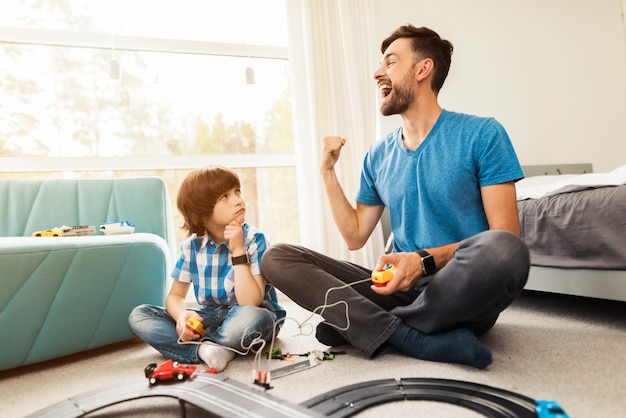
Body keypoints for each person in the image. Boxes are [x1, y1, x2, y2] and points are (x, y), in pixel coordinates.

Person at [260, 25, 530, 369]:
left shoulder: (482, 134)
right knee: (278, 257)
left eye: (389, 62)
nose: (377, 73)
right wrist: (327, 174)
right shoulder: (378, 156)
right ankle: (407, 335)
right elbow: (355, 236)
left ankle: (365, 325)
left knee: (505, 250)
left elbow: (504, 235)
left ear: (422, 69)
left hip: (460, 286)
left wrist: (423, 261)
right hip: (399, 289)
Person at [129, 165, 285, 372]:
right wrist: (181, 317)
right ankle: (208, 349)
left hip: (247, 315)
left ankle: (208, 346)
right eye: (225, 197)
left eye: (237, 191)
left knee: (254, 318)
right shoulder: (191, 247)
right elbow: (175, 296)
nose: (238, 199)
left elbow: (251, 302)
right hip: (209, 317)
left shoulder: (254, 240)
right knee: (140, 316)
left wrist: (238, 250)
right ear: (201, 213)